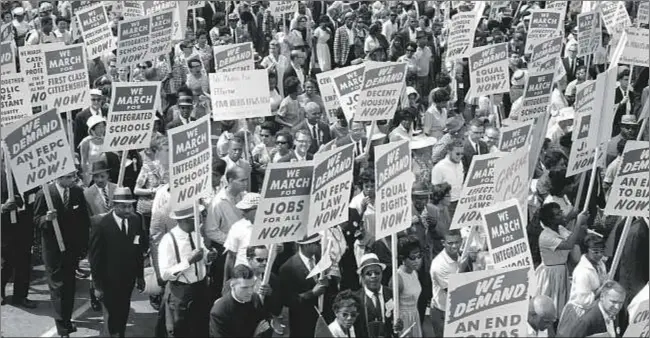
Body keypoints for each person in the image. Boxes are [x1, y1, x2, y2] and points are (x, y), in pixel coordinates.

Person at [33, 171, 91, 337]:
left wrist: (83, 247)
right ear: (58, 177)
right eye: (67, 177)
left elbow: (83, 220)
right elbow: (36, 219)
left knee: (70, 285)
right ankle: (62, 327)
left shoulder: (77, 192)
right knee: (57, 286)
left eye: (73, 176)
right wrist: (46, 219)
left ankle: (66, 318)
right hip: (53, 248)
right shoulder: (44, 194)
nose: (72, 180)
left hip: (72, 248)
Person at [89, 187, 145, 337]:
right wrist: (97, 286)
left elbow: (138, 250)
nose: (128, 210)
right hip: (108, 281)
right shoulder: (100, 224)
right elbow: (95, 258)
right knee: (112, 316)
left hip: (127, 280)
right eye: (124, 206)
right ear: (114, 206)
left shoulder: (136, 220)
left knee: (123, 312)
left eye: (130, 206)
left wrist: (140, 276)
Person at [158, 206, 216, 337]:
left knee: (201, 326)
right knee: (180, 328)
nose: (200, 221)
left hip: (201, 288)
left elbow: (204, 257)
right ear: (185, 220)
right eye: (197, 218)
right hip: (181, 291)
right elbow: (165, 274)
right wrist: (188, 261)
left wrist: (209, 257)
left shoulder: (196, 235)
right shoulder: (168, 240)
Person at [534, 203, 588, 321]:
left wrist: (578, 221)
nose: (562, 215)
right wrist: (578, 222)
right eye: (558, 214)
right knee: (548, 308)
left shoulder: (560, 229)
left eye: (561, 212)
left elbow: (572, 237)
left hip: (561, 271)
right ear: (550, 219)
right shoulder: (545, 236)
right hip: (550, 275)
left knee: (561, 308)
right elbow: (569, 244)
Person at [279, 233, 328, 337]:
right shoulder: (288, 268)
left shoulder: (322, 260)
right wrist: (313, 293)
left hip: (323, 318)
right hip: (302, 322)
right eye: (316, 243)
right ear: (306, 245)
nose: (319, 245)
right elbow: (289, 300)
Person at [209, 264, 272, 337]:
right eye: (244, 288)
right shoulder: (219, 312)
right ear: (232, 285)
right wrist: (254, 335)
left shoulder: (255, 299)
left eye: (252, 286)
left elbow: (265, 326)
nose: (250, 292)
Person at [353, 253, 403, 338]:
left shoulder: (391, 294)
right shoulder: (357, 298)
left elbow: (396, 319)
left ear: (382, 274)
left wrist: (399, 325)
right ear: (362, 276)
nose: (374, 276)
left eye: (377, 273)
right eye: (369, 273)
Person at [559, 281, 626, 337]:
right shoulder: (586, 321)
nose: (617, 307)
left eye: (621, 303)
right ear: (602, 297)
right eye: (613, 302)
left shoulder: (615, 313)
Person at [223, 193, 260, 282]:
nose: (242, 213)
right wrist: (226, 281)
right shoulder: (237, 227)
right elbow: (231, 256)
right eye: (242, 210)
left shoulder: (272, 227)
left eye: (246, 210)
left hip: (262, 278)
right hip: (241, 279)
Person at [569, 234, 608, 308]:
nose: (600, 255)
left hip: (596, 306)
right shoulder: (582, 272)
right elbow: (583, 300)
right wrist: (600, 291)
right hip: (582, 310)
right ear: (586, 251)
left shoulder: (600, 264)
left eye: (602, 251)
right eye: (596, 252)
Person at [395, 236, 422, 338]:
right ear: (403, 258)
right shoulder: (398, 278)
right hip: (403, 321)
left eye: (419, 256)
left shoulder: (415, 273)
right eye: (412, 257)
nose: (417, 260)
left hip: (415, 316)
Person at [430, 139, 465, 218]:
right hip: (447, 206)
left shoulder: (460, 163)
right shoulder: (439, 167)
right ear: (449, 152)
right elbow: (435, 191)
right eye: (457, 154)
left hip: (459, 203)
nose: (460, 156)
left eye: (462, 154)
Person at [79, 115, 108, 186]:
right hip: (91, 174)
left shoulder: (107, 140)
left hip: (105, 174)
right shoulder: (86, 142)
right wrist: (85, 178)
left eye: (103, 126)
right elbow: (84, 161)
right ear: (93, 129)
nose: (102, 129)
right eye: (99, 127)